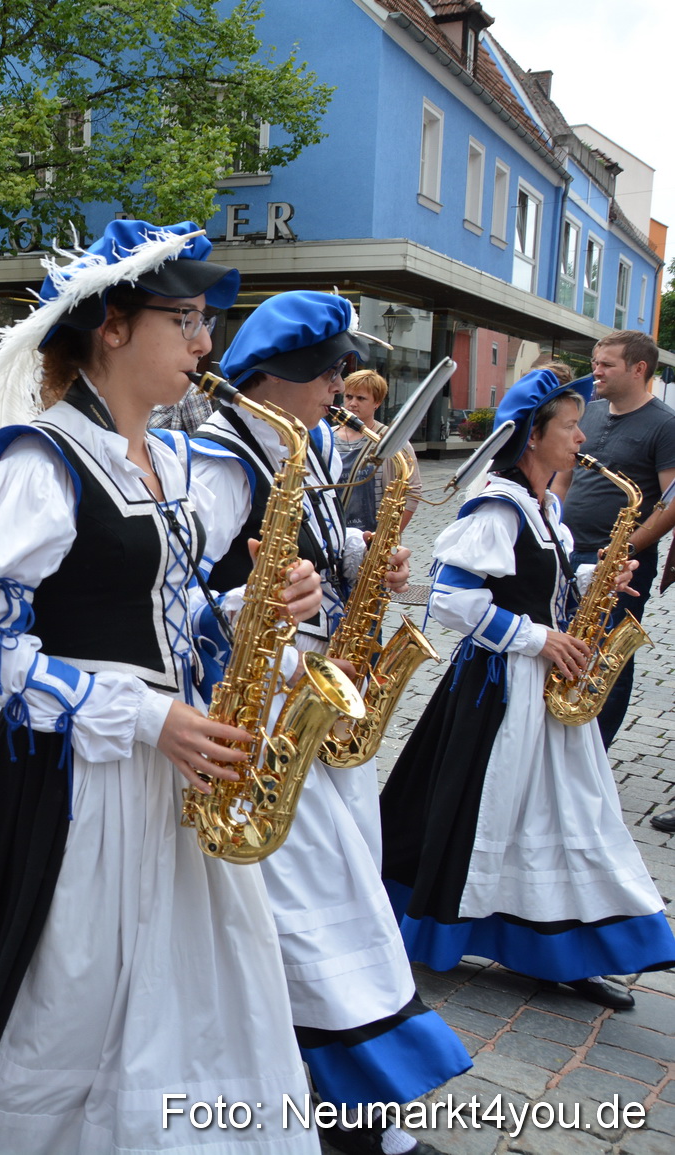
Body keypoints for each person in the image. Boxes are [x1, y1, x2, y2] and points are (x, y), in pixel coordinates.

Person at [0, 219, 324, 1154]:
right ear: (112, 327)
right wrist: (144, 716)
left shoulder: (167, 459)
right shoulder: (36, 459)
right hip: (79, 787)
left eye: (205, 322)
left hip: (173, 770)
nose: (205, 343)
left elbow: (163, 611)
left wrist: (255, 607)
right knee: (65, 996)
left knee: (192, 994)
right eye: (185, 320)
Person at [192, 292, 468, 1155]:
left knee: (337, 890)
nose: (338, 394)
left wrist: (364, 555)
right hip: (257, 711)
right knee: (318, 904)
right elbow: (171, 596)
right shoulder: (220, 460)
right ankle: (342, 1099)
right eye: (327, 378)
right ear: (279, 377)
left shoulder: (301, 443)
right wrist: (250, 606)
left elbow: (314, 536)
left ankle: (339, 1093)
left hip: (314, 693)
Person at [381, 368, 675, 1011]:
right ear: (533, 437)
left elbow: (539, 584)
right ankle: (539, 942)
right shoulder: (498, 506)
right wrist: (537, 639)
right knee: (504, 811)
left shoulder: (546, 509)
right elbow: (452, 599)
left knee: (561, 812)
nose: (581, 437)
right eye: (570, 426)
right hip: (501, 692)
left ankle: (562, 945)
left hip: (538, 690)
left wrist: (596, 577)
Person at [548, 330, 675, 755]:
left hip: (621, 563)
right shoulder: (589, 411)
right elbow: (563, 479)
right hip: (569, 551)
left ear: (639, 369)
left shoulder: (665, 424)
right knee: (563, 649)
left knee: (605, 662)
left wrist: (626, 550)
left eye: (606, 364)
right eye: (595, 362)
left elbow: (671, 502)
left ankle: (593, 755)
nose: (595, 371)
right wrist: (551, 530)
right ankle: (560, 744)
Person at [335, 368, 422, 533]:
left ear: (377, 403)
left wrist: (385, 537)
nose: (352, 403)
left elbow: (412, 492)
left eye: (361, 398)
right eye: (348, 396)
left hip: (373, 535)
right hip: (332, 535)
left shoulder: (393, 441)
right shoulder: (327, 437)